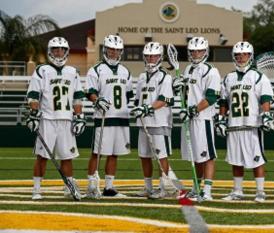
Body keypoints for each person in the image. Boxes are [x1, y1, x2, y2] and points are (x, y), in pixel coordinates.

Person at [26, 37, 86, 200]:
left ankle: (69, 187)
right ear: (50, 51)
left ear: (66, 52)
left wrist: (79, 116)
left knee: (67, 157)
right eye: (55, 49)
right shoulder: (42, 70)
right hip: (47, 119)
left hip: (66, 120)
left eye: (61, 49)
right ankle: (37, 189)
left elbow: (78, 97)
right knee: (42, 157)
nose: (58, 52)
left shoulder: (72, 72)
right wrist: (33, 114)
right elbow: (33, 95)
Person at [217, 41, 274, 203]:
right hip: (234, 124)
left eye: (244, 54)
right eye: (238, 55)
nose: (241, 57)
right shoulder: (229, 78)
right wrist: (221, 119)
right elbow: (223, 101)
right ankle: (237, 191)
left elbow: (265, 98)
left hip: (251, 124)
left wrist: (266, 114)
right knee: (235, 160)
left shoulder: (258, 76)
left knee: (256, 160)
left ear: (251, 56)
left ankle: (260, 191)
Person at [85, 35, 133, 198]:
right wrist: (97, 100)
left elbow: (128, 95)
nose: (114, 53)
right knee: (97, 153)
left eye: (117, 50)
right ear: (105, 49)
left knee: (114, 153)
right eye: (111, 49)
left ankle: (109, 187)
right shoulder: (96, 69)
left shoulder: (125, 71)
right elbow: (90, 92)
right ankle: (92, 185)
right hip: (104, 117)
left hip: (121, 117)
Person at [179, 36, 221, 201]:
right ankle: (196, 187)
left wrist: (193, 110)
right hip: (189, 119)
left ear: (206, 51)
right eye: (193, 51)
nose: (196, 53)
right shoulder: (188, 69)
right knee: (196, 156)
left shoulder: (211, 71)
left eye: (199, 50)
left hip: (203, 119)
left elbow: (211, 97)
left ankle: (207, 191)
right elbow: (187, 94)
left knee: (208, 156)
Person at [131, 42, 175, 199]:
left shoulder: (165, 77)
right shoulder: (142, 77)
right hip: (143, 123)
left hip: (159, 122)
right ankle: (148, 187)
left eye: (154, 56)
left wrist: (147, 108)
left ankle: (164, 188)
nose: (150, 59)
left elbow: (163, 100)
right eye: (148, 56)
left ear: (160, 57)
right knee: (144, 156)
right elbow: (137, 100)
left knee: (160, 156)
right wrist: (138, 108)